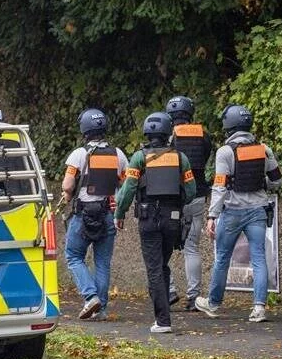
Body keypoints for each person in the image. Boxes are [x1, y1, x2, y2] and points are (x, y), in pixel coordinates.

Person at [195, 105, 282, 322]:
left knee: (222, 257)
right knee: (259, 257)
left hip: (232, 212)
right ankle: (259, 308)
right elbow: (277, 180)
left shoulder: (225, 152)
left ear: (228, 125)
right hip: (258, 210)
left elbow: (220, 186)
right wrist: (262, 185)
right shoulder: (264, 149)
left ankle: (213, 304)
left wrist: (212, 216)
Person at [114, 112, 196, 333]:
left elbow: (128, 189)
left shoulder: (139, 158)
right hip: (173, 219)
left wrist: (119, 213)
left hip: (148, 218)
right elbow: (191, 191)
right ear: (168, 132)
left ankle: (163, 321)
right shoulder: (181, 158)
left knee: (154, 269)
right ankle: (164, 306)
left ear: (147, 133)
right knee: (162, 265)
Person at [62, 108, 129, 321]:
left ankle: (90, 296)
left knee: (73, 256)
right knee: (102, 262)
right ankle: (100, 310)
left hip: (83, 215)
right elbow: (127, 183)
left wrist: (66, 194)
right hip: (107, 214)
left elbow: (68, 184)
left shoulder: (79, 154)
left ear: (85, 130)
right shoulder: (118, 154)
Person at [165, 96, 214, 311]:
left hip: (172, 196)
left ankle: (169, 290)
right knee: (191, 247)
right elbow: (204, 159)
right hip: (197, 194)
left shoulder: (167, 135)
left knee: (162, 246)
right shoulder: (204, 135)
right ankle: (193, 297)